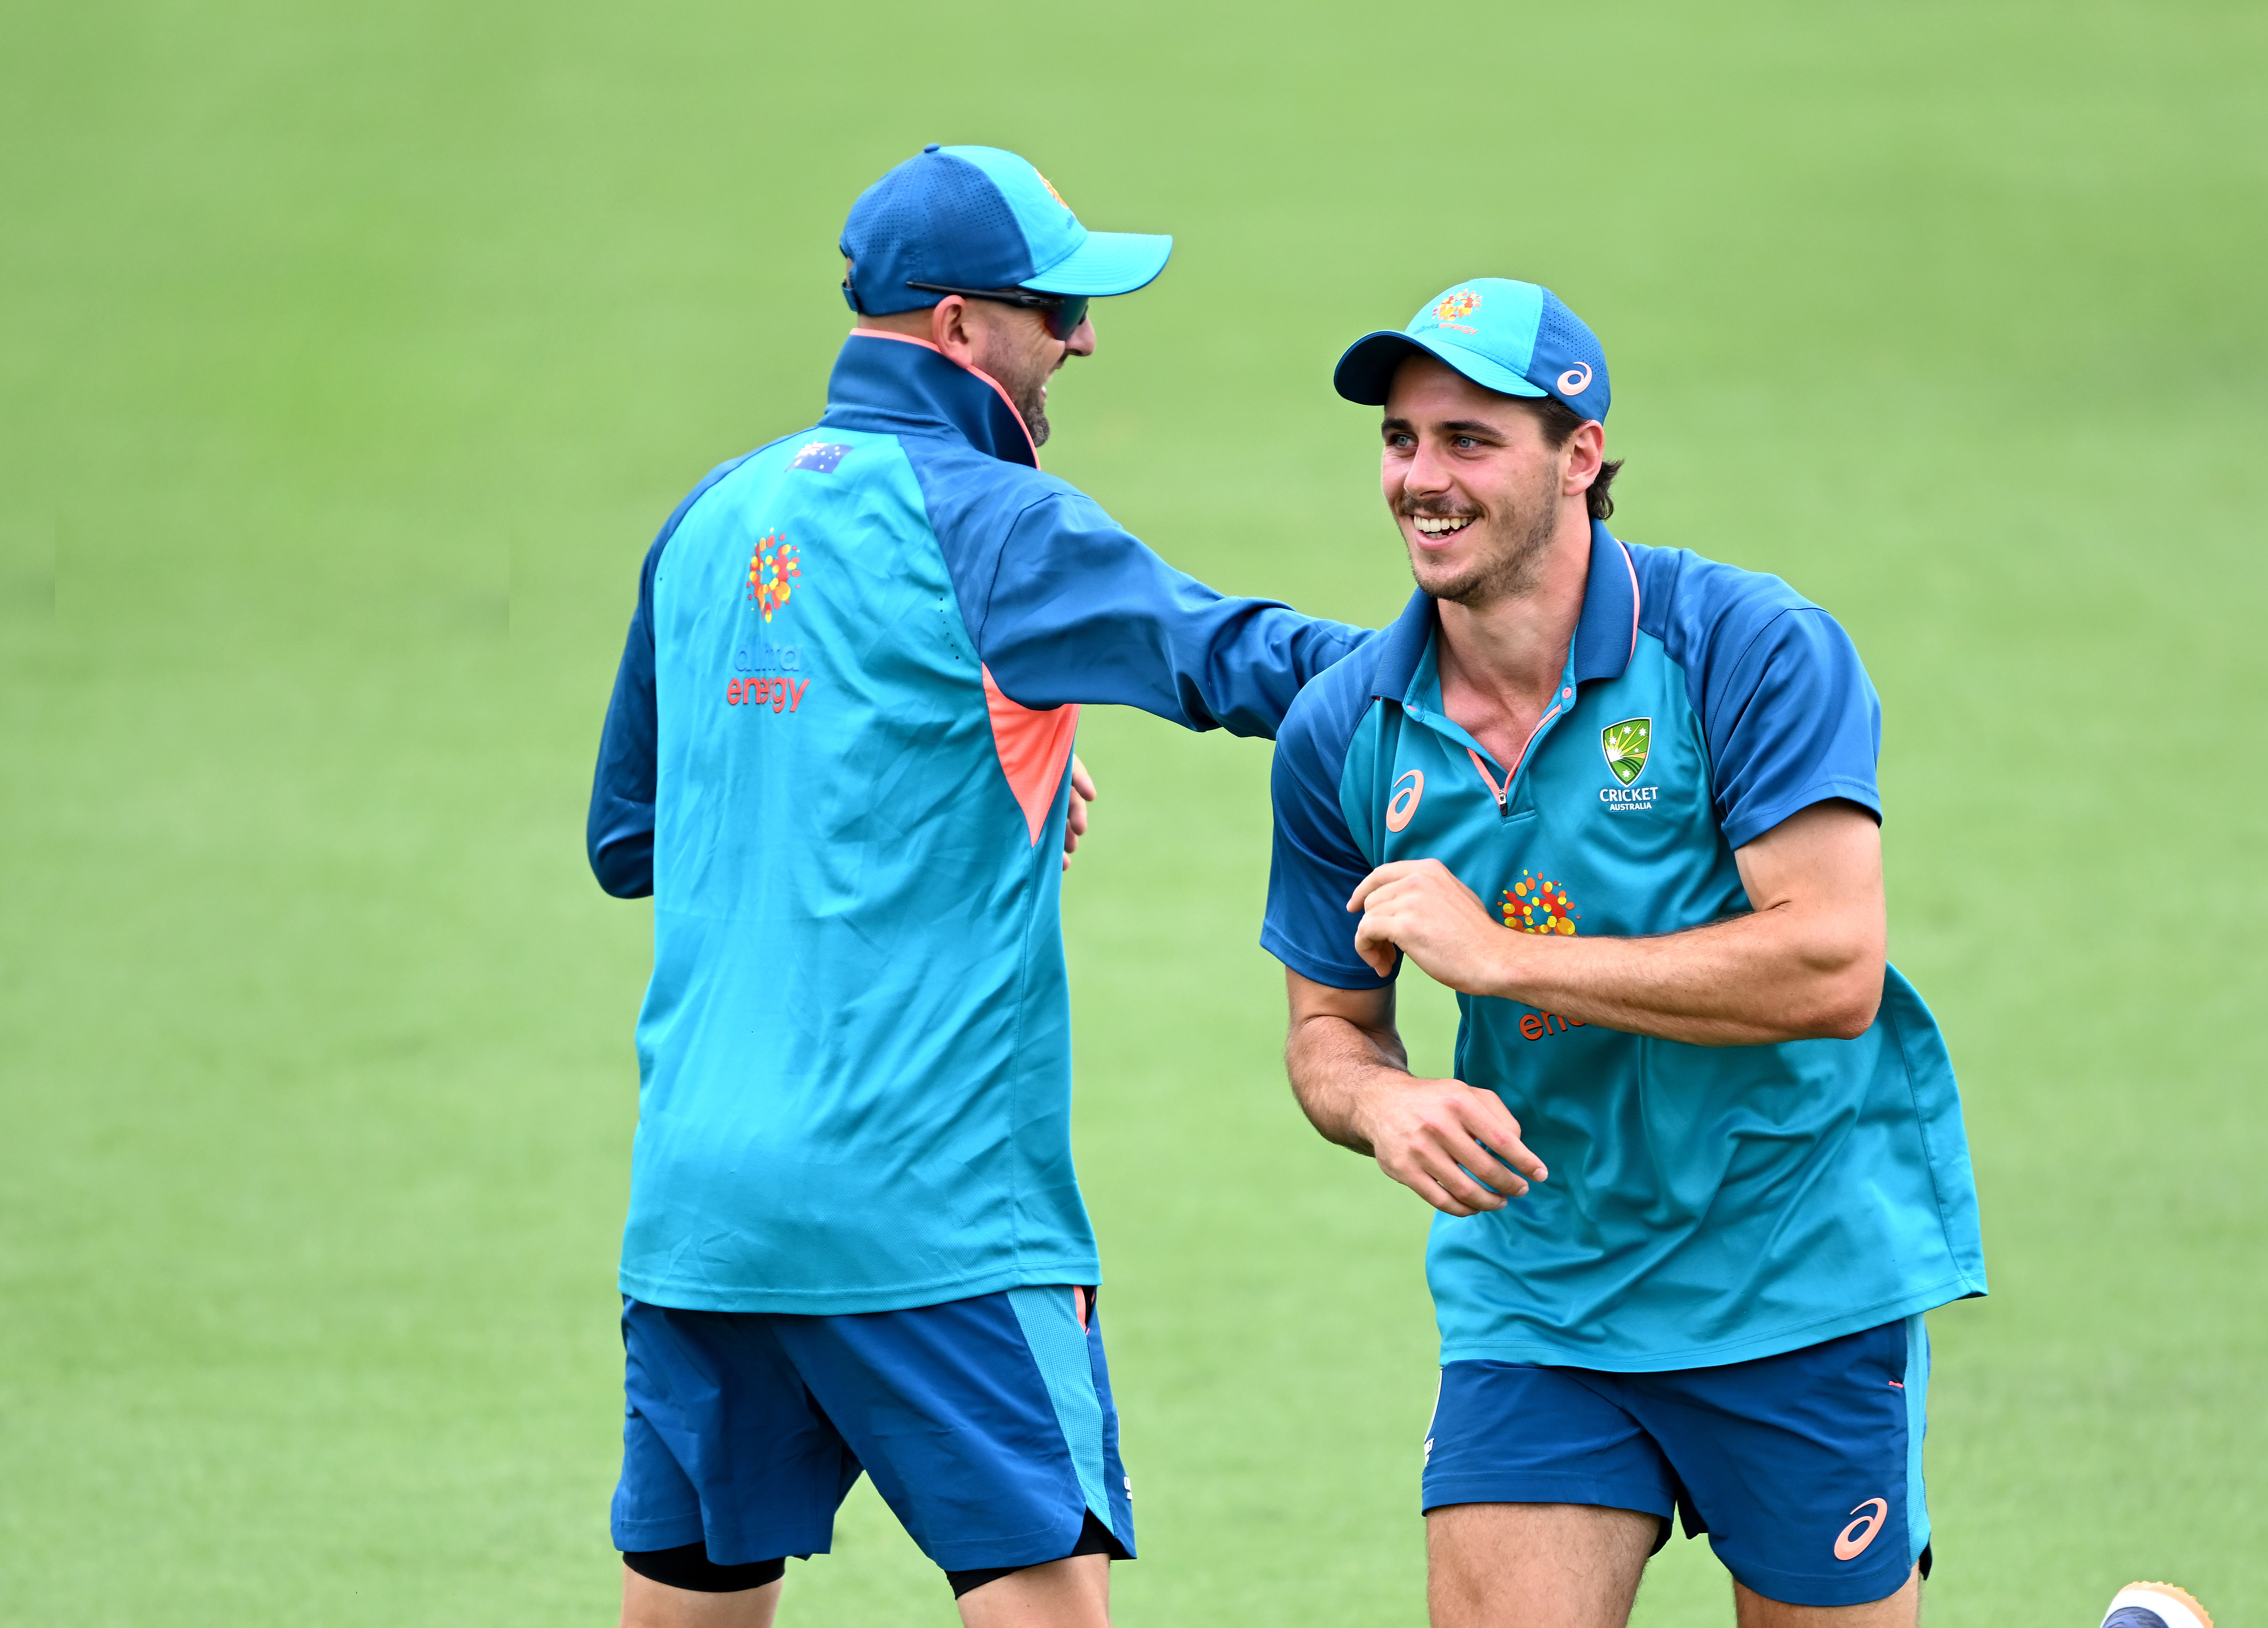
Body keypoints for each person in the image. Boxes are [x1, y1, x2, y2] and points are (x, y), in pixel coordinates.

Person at [585, 144, 1366, 1628]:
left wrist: (916, 758)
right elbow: (1244, 662)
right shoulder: (998, 525)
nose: (1080, 335)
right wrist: (1475, 661)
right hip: (927, 1207)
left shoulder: (710, 516)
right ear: (957, 328)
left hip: (700, 1213)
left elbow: (632, 841)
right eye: (1053, 306)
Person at [1260, 278, 1988, 1628]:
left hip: (1795, 1274)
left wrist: (1508, 962)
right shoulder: (1342, 728)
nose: (1422, 478)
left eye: (1469, 441)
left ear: (1578, 457)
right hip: (1541, 1290)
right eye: (1402, 440)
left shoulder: (1747, 650)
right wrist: (1381, 1099)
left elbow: (1830, 968)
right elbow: (1328, 1031)